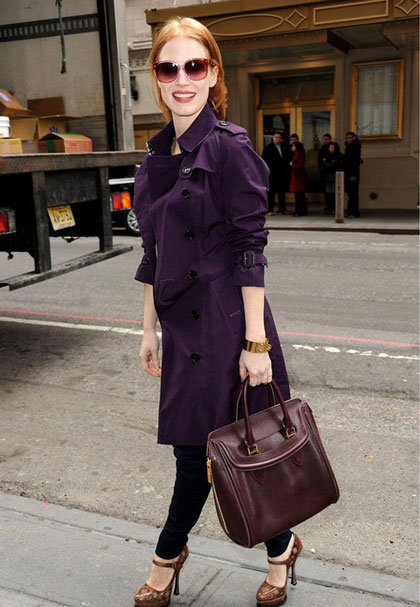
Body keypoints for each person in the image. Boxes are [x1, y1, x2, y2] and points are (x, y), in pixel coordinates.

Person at [132, 16, 302, 607]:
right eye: (169, 68)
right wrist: (148, 331)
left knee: (229, 451)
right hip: (182, 332)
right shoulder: (154, 159)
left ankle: (166, 560)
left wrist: (256, 344)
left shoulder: (231, 149)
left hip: (231, 327)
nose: (182, 79)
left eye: (194, 66)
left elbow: (250, 249)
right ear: (156, 79)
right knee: (211, 450)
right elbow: (152, 255)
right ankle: (282, 548)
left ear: (213, 75)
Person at [262, 131, 290, 215]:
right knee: (272, 192)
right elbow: (265, 160)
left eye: (279, 137)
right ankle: (270, 209)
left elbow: (286, 159)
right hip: (272, 173)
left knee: (282, 192)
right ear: (273, 138)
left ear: (281, 139)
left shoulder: (284, 147)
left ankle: (282, 209)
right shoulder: (268, 148)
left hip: (282, 173)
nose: (277, 139)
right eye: (276, 137)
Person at [344, 131, 362, 217]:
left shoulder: (354, 146)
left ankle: (353, 212)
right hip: (349, 172)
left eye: (350, 138)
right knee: (351, 193)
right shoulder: (349, 146)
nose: (348, 139)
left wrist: (353, 174)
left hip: (353, 173)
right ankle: (351, 211)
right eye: (347, 138)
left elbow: (354, 161)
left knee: (353, 193)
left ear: (354, 138)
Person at [322, 142, 343, 215]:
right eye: (330, 147)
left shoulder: (338, 156)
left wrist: (325, 162)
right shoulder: (327, 155)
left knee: (334, 194)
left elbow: (330, 166)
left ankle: (334, 208)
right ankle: (329, 207)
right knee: (328, 194)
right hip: (328, 177)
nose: (331, 149)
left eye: (332, 147)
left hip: (335, 177)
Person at [290, 141, 307, 216]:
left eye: (294, 146)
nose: (292, 148)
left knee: (299, 195)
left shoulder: (299, 155)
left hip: (298, 177)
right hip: (297, 176)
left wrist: (292, 165)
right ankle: (300, 210)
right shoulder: (296, 154)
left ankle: (299, 211)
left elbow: (300, 165)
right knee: (299, 195)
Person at [317, 133, 332, 208]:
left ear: (330, 139)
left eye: (327, 139)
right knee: (325, 190)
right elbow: (319, 160)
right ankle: (328, 205)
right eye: (324, 139)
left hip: (330, 173)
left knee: (330, 190)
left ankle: (331, 205)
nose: (325, 141)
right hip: (324, 172)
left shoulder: (331, 148)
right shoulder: (322, 149)